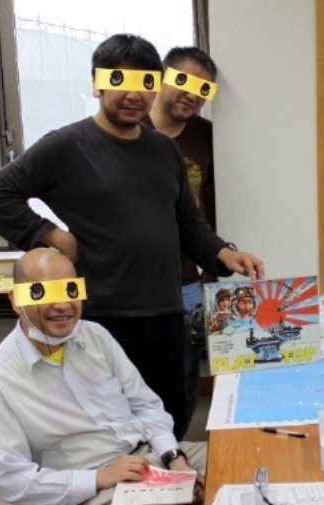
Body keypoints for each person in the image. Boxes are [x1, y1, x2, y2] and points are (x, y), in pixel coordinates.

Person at [0, 34, 265, 439]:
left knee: (170, 412)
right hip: (102, 315)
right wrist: (55, 238)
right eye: (119, 81)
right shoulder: (66, 145)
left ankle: (166, 476)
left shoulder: (164, 151)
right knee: (110, 423)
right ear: (97, 84)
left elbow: (187, 222)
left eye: (145, 83)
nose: (133, 94)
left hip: (166, 311)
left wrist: (223, 253)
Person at [0, 249, 207, 505]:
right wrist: (99, 478)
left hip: (148, 451)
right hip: (92, 485)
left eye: (70, 290)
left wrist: (174, 457)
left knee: (241, 462)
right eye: (42, 292)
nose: (62, 304)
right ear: (16, 300)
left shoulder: (95, 336)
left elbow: (145, 404)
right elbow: (11, 480)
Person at [145, 46, 219, 436]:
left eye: (204, 89)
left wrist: (214, 265)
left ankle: (172, 452)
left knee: (183, 380)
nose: (193, 94)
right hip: (130, 283)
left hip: (188, 280)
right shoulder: (129, 125)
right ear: (162, 77)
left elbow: (210, 209)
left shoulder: (208, 136)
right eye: (184, 81)